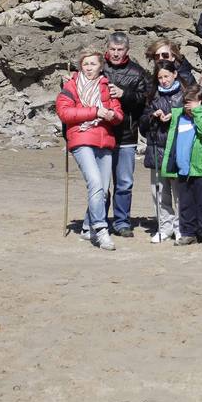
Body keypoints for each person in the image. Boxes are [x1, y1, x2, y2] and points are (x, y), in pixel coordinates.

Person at [57, 47, 124, 250]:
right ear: (80, 66)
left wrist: (113, 116)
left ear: (100, 66)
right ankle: (101, 229)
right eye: (85, 63)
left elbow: (119, 113)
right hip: (81, 138)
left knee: (103, 191)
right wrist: (95, 111)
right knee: (95, 183)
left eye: (93, 63)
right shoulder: (71, 85)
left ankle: (87, 228)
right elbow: (65, 112)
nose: (89, 67)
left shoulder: (107, 87)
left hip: (105, 140)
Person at [102, 33, 150, 238]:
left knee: (124, 182)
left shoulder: (137, 72)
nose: (115, 53)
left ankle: (121, 221)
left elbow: (144, 99)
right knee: (100, 184)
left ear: (127, 51)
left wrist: (125, 95)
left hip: (126, 135)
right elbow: (79, 91)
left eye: (119, 50)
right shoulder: (96, 67)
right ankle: (99, 220)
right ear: (107, 48)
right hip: (100, 134)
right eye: (112, 49)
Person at [161, 84, 202, 245]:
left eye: (192, 102)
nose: (188, 105)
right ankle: (187, 232)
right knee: (185, 203)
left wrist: (198, 110)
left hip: (201, 169)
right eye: (186, 102)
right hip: (183, 169)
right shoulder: (179, 116)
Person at [140, 59, 184, 242]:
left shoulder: (184, 94)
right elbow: (142, 126)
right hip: (156, 148)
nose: (164, 80)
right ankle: (164, 227)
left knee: (179, 193)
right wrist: (152, 116)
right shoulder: (152, 96)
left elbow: (193, 116)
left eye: (167, 76)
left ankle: (181, 227)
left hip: (176, 149)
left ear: (175, 74)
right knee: (159, 192)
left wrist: (174, 115)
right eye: (160, 77)